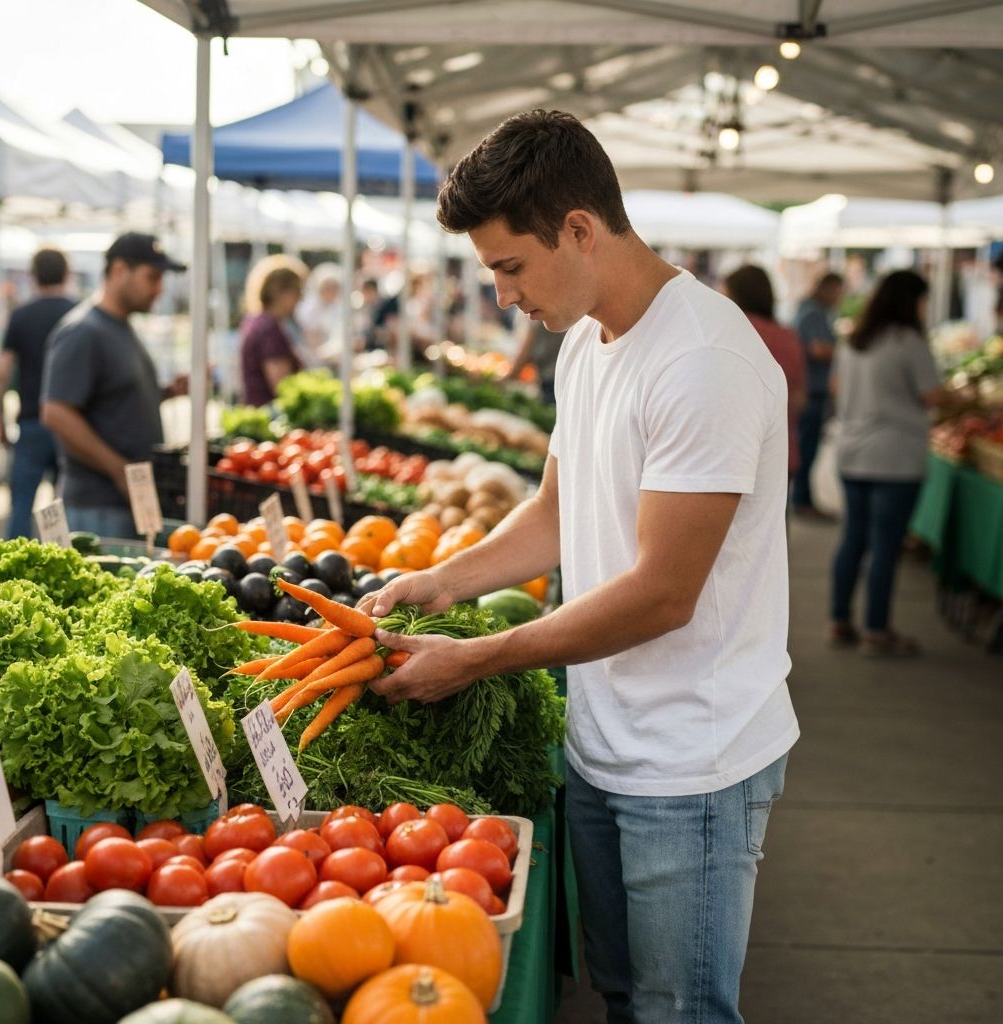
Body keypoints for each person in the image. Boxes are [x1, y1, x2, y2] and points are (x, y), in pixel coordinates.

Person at [358, 109, 798, 1024]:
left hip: (692, 762)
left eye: (509, 267)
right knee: (626, 998)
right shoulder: (586, 346)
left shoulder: (704, 359)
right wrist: (444, 582)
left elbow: (664, 595)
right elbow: (557, 512)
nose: (503, 295)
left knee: (682, 1013)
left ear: (580, 230)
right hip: (603, 741)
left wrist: (474, 658)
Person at [828, 269, 953, 656]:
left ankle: (839, 620)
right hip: (895, 458)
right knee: (884, 546)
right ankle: (876, 630)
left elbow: (835, 387)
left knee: (853, 538)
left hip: (852, 452)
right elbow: (932, 395)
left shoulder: (855, 341)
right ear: (909, 301)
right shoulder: (908, 341)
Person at [41, 232, 188, 540]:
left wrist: (166, 392)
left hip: (125, 503)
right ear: (120, 270)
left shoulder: (119, 327)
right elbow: (56, 412)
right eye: (153, 277)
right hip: (98, 508)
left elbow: (114, 398)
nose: (159, 289)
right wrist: (119, 470)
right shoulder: (83, 331)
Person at [0, 248, 76, 538]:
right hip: (70, 425)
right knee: (62, 509)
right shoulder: (78, 313)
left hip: (30, 423)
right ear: (67, 274)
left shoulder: (21, 315)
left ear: (33, 276)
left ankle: (10, 579)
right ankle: (60, 570)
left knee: (21, 506)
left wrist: (0, 423)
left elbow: (1, 373)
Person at [723, 264, 806, 489]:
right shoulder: (788, 336)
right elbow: (799, 399)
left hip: (732, 452)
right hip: (782, 447)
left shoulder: (727, 331)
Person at [791, 271, 844, 518]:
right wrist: (847, 352)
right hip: (812, 390)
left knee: (808, 447)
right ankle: (802, 499)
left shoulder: (812, 310)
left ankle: (803, 498)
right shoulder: (813, 312)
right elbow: (817, 349)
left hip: (813, 389)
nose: (840, 297)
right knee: (806, 448)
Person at [239, 255, 306, 406]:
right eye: (297, 291)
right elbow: (282, 386)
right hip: (269, 413)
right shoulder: (268, 328)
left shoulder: (254, 320)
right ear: (280, 292)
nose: (301, 298)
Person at [506, 316, 565, 405]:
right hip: (555, 375)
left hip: (552, 378)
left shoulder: (536, 312)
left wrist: (508, 377)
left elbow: (526, 351)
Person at [295, 262, 342, 367]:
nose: (332, 292)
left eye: (334, 288)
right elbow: (309, 335)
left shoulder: (337, 308)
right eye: (328, 288)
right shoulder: (309, 308)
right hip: (310, 359)